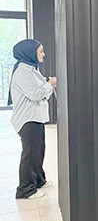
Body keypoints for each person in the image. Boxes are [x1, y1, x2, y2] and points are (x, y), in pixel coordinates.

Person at [8, 39, 56, 200]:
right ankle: (25, 189)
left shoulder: (31, 69)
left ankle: (38, 180)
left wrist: (47, 86)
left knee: (38, 151)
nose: (44, 54)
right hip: (27, 120)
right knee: (30, 154)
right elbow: (37, 94)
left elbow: (42, 91)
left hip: (35, 118)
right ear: (29, 53)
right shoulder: (22, 72)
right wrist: (49, 85)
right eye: (40, 51)